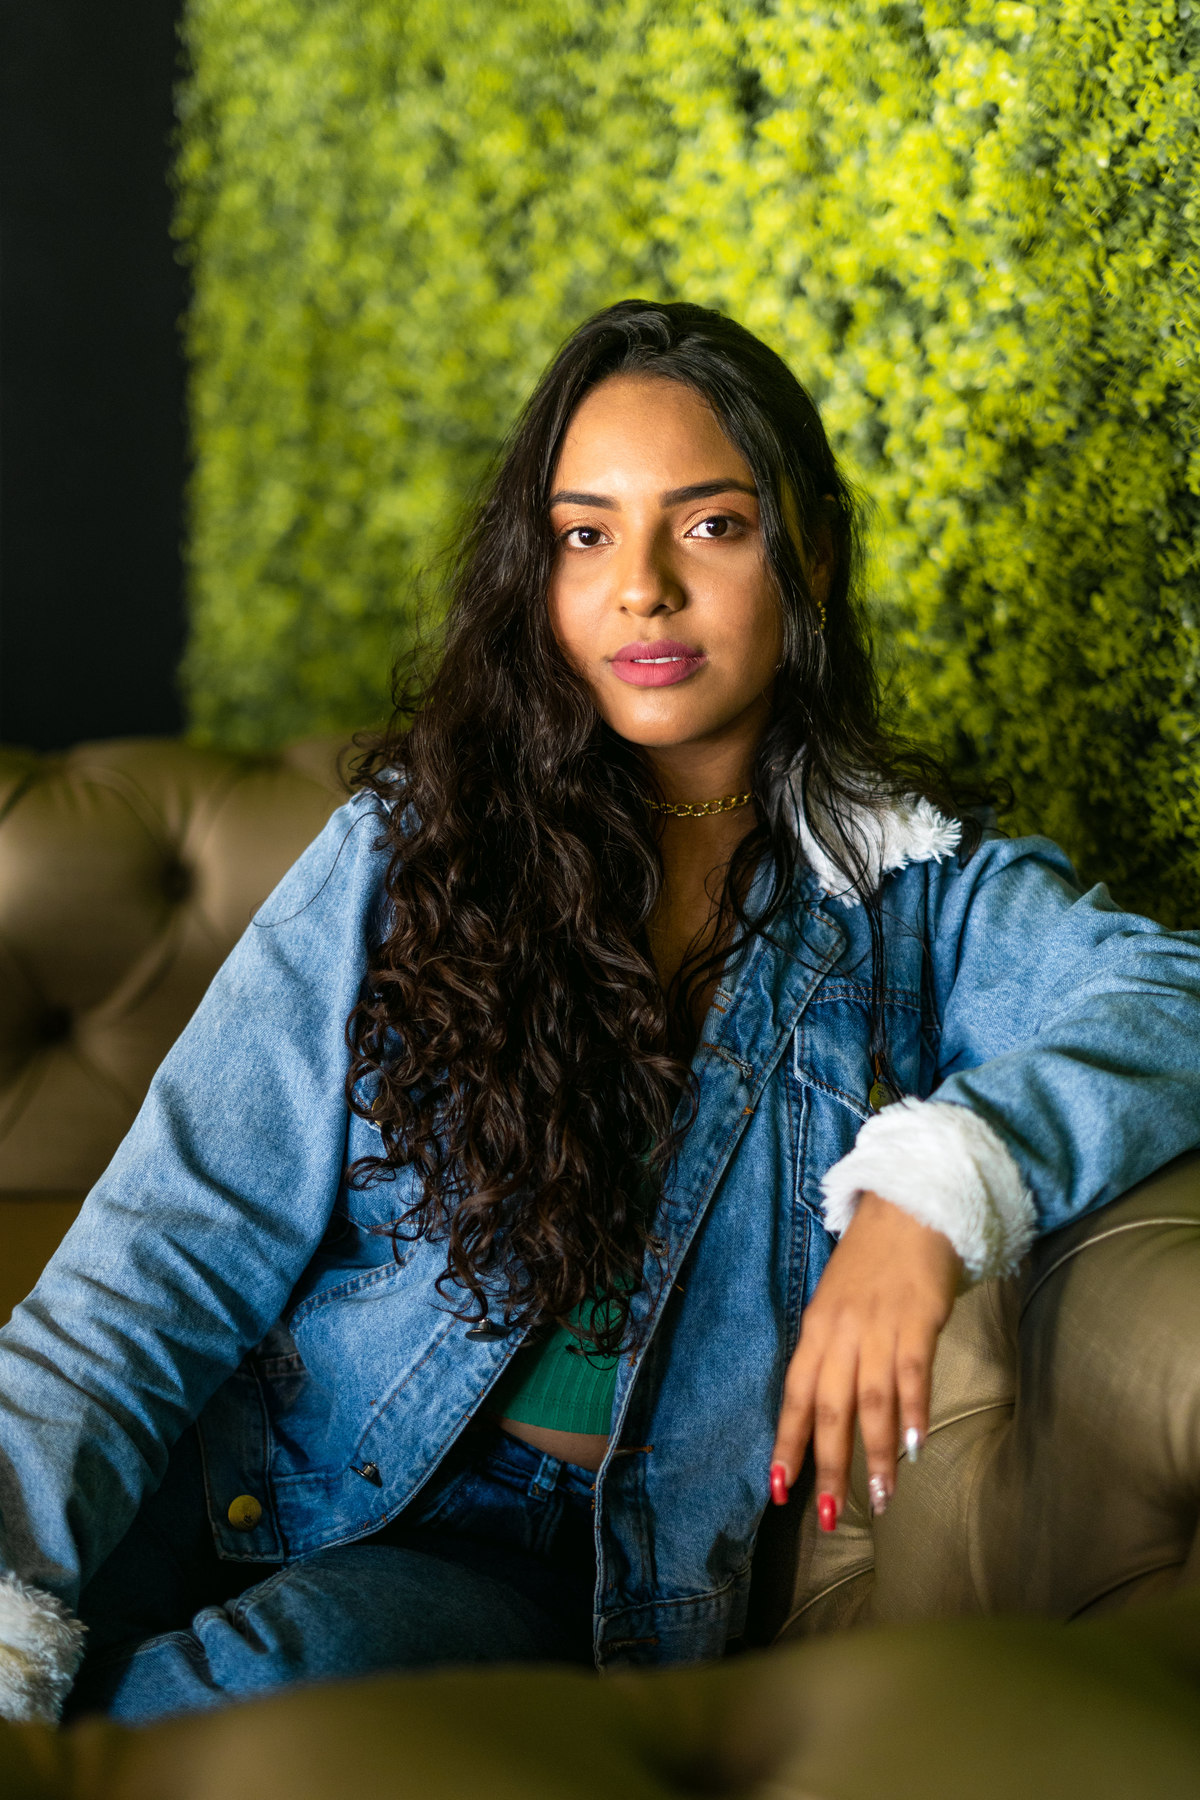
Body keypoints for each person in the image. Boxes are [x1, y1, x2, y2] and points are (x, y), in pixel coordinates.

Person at [1, 299, 1198, 1727]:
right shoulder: (413, 845)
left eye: (709, 526)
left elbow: (1168, 995)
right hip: (248, 1451)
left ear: (809, 552)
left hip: (521, 1571)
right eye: (585, 534)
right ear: (539, 572)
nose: (642, 588)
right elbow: (174, 1243)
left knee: (260, 1686)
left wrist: (936, 1188)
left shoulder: (913, 895)